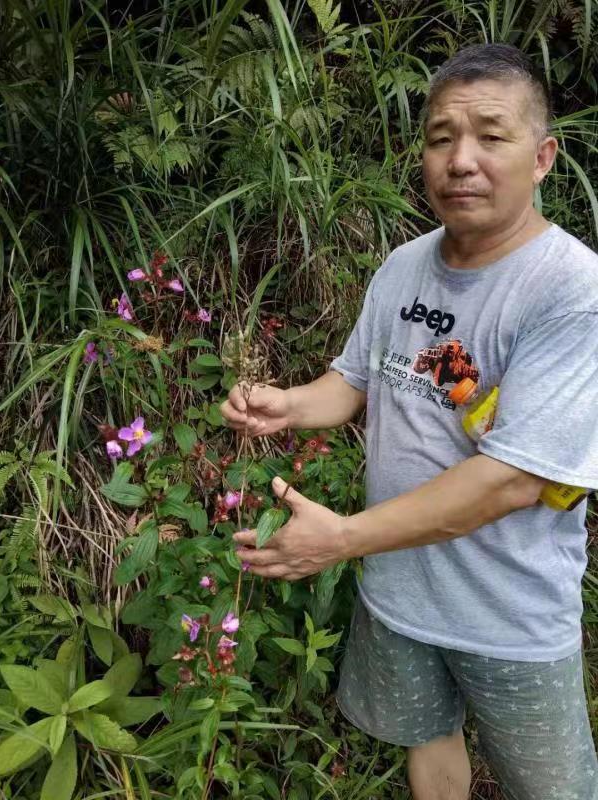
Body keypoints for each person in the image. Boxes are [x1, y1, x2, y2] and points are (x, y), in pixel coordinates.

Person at [221, 43, 598, 800]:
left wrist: (342, 539)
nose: (461, 160)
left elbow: (511, 483)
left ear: (544, 157)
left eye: (492, 136)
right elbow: (353, 382)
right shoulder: (403, 265)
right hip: (399, 591)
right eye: (440, 137)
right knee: (429, 745)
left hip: (509, 611)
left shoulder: (571, 290)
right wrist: (288, 405)